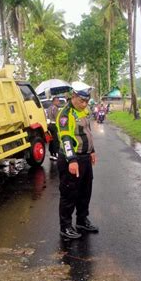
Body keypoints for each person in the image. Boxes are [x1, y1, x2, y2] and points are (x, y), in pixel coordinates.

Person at [56, 85, 99, 239]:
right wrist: (72, 160)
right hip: (71, 159)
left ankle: (82, 220)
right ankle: (66, 226)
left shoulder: (84, 111)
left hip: (85, 158)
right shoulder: (66, 114)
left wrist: (92, 150)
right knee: (69, 194)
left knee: (85, 192)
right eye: (81, 100)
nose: (84, 104)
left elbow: (87, 132)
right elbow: (66, 139)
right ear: (73, 96)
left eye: (87, 101)